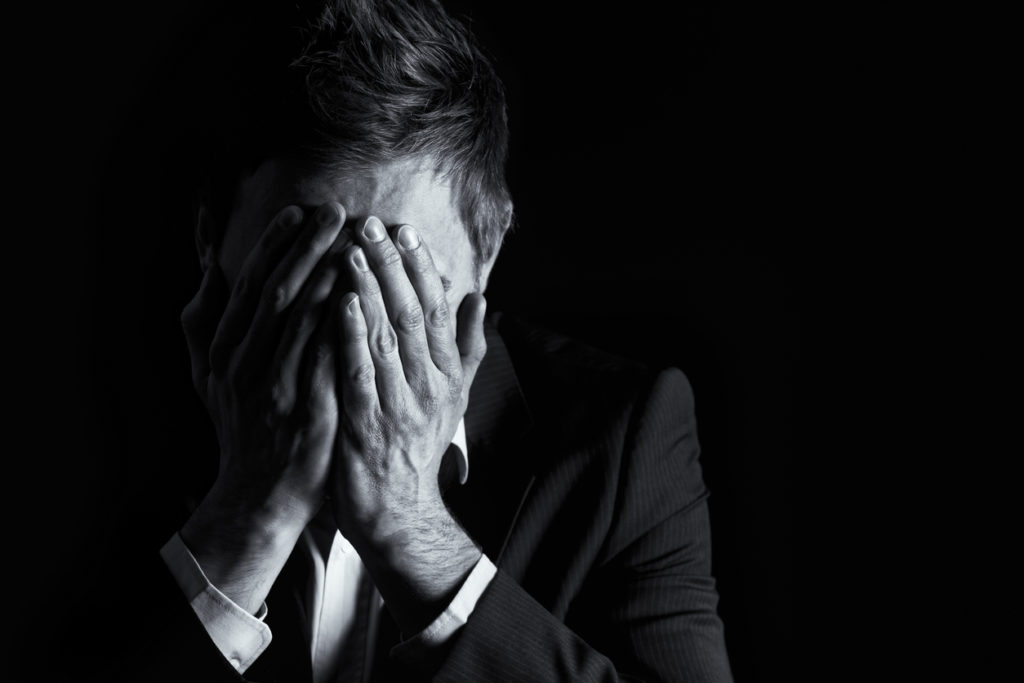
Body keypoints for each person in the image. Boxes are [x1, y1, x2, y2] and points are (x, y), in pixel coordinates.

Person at [93, 1, 733, 680]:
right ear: (211, 239)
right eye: (302, 264)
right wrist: (250, 513)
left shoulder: (622, 438)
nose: (354, 324)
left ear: (485, 253)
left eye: (399, 275)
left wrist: (410, 522)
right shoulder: (90, 423)